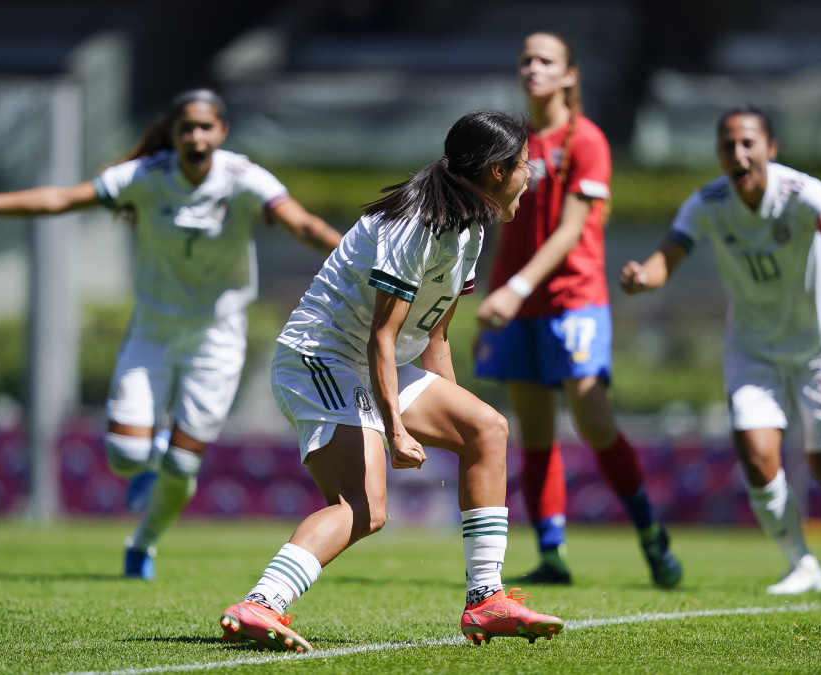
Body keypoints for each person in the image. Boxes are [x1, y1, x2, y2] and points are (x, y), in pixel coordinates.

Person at [0, 88, 344, 581]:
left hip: (217, 337)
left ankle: (143, 543)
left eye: (205, 127)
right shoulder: (145, 177)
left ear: (222, 132)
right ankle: (147, 460)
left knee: (183, 467)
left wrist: (350, 253)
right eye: (186, 127)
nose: (195, 136)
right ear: (172, 134)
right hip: (152, 332)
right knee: (126, 455)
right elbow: (61, 199)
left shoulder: (243, 178)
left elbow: (300, 223)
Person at [219, 110, 563, 652]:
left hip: (371, 360)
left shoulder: (469, 227)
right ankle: (261, 604)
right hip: (322, 359)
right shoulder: (416, 224)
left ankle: (486, 600)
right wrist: (398, 428)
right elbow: (383, 336)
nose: (532, 174)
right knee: (366, 507)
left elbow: (436, 338)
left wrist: (453, 420)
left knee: (487, 428)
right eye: (526, 165)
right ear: (497, 172)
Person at [619, 105, 821, 594]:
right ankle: (802, 564)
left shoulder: (802, 192)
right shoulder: (707, 202)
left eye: (749, 142)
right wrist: (645, 277)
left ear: (771, 149)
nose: (738, 153)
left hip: (820, 349)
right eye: (728, 145)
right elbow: (670, 254)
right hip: (753, 351)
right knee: (756, 455)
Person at [472, 31, 682, 588]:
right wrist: (491, 290)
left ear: (569, 75)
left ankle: (650, 535)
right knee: (534, 432)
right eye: (525, 60)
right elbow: (500, 226)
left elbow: (571, 231)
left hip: (574, 301)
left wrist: (514, 289)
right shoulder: (511, 142)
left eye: (546, 60)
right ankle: (552, 555)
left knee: (593, 422)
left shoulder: (586, 139)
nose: (532, 68)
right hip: (516, 304)